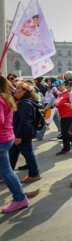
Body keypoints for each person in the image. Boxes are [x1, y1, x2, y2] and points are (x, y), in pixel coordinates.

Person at [0, 75, 30, 213]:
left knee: (6, 171)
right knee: (6, 170)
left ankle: (19, 198)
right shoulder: (6, 97)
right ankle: (20, 197)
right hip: (6, 137)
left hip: (2, 139)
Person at [9, 81, 41, 183]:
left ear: (24, 92)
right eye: (16, 87)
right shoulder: (21, 102)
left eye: (18, 88)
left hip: (22, 134)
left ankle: (34, 174)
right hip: (18, 133)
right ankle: (7, 173)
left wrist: (18, 136)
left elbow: (24, 122)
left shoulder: (25, 104)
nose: (15, 89)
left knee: (28, 153)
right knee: (12, 153)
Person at [53, 80, 72, 155]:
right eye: (57, 87)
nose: (58, 88)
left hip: (70, 115)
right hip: (63, 115)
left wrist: (70, 92)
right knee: (64, 133)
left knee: (65, 133)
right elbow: (57, 103)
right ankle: (66, 148)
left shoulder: (68, 92)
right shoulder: (60, 94)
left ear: (63, 85)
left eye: (60, 86)